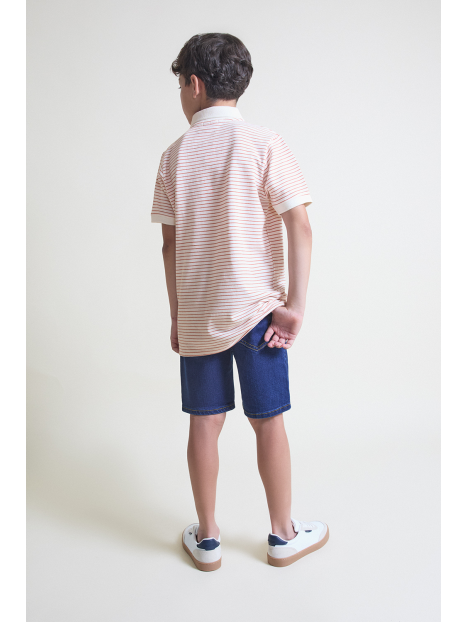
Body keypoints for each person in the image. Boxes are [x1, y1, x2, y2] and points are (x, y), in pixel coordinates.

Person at [151, 33, 329, 571]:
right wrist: (294, 306)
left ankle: (207, 539)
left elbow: (170, 245)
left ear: (194, 84)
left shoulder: (173, 156)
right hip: (258, 315)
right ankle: (283, 534)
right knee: (268, 421)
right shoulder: (266, 143)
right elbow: (300, 224)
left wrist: (178, 315)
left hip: (200, 315)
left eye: (180, 86)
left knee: (204, 423)